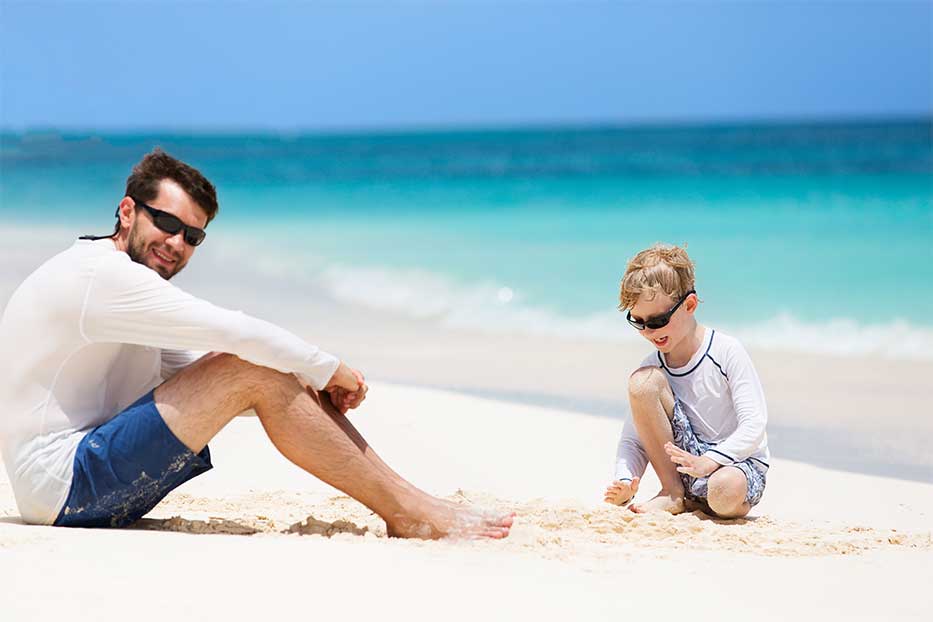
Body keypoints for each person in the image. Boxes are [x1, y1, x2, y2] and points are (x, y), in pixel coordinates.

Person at [0, 148, 513, 538]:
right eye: (166, 223)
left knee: (263, 368)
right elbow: (233, 334)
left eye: (192, 236)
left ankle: (409, 501)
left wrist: (298, 381)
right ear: (128, 211)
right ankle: (408, 510)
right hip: (64, 487)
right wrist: (327, 368)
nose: (176, 243)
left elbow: (211, 377)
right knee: (256, 365)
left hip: (82, 480)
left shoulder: (123, 291)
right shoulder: (102, 279)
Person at [604, 244, 769, 518]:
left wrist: (710, 461)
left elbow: (754, 426)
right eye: (639, 321)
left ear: (689, 305)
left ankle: (706, 499)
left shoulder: (726, 351)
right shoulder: (652, 367)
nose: (648, 331)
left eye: (658, 320)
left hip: (733, 466)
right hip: (684, 470)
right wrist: (624, 480)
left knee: (724, 490)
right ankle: (672, 494)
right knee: (642, 383)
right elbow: (634, 440)